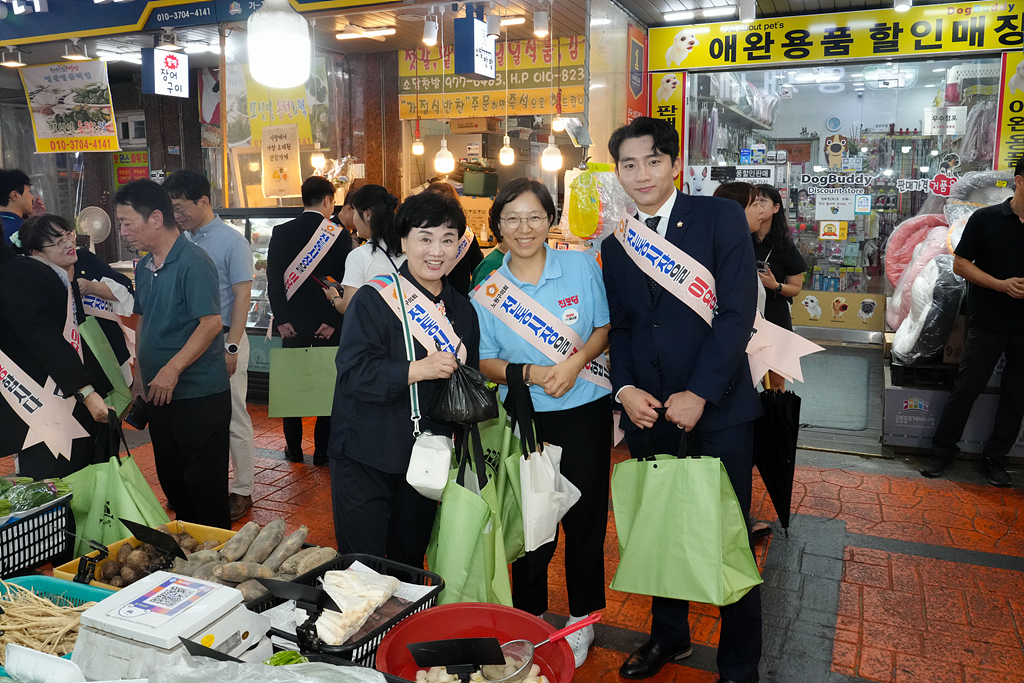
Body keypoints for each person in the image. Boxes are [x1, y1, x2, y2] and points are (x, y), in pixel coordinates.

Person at [601, 118, 762, 683]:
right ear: (617, 172)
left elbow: (738, 313)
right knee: (660, 525)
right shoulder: (616, 244)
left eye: (651, 160)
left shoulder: (719, 218)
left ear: (675, 165)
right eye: (628, 164)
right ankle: (668, 637)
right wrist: (624, 391)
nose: (641, 174)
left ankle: (740, 663)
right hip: (649, 412)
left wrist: (700, 392)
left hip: (716, 410)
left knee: (727, 533)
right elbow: (621, 328)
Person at [473, 178, 611, 668]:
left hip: (586, 412)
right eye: (512, 218)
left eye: (534, 216)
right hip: (526, 420)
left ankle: (582, 622)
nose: (524, 228)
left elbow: (601, 327)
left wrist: (573, 365)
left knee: (585, 522)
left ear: (550, 220)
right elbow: (485, 360)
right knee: (532, 523)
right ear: (497, 229)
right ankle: (528, 618)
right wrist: (529, 374)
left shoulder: (578, 264)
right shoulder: (487, 292)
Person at [328, 190, 480, 566]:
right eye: (425, 238)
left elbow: (466, 381)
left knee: (409, 560)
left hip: (427, 457)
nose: (436, 251)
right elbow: (354, 373)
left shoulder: (463, 310)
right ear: (404, 240)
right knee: (360, 564)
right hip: (366, 452)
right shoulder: (373, 299)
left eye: (448, 240)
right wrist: (419, 369)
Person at [117, 179, 231, 529]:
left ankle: (216, 559)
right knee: (174, 482)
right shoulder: (145, 265)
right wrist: (139, 375)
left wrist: (172, 368)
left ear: (154, 218)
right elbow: (143, 320)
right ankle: (188, 553)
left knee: (205, 486)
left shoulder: (193, 261)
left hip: (198, 394)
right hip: (159, 394)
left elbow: (211, 323)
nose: (123, 232)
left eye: (127, 223)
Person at [922, 155, 1024, 487]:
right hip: (988, 321)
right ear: (1019, 181)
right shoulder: (986, 219)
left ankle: (995, 460)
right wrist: (1000, 284)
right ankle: (942, 453)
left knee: (1016, 397)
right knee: (966, 389)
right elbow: (961, 265)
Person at [165, 170, 256, 520]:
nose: (176, 215)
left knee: (233, 415)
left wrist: (231, 346)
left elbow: (242, 295)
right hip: (191, 341)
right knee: (197, 417)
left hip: (223, 340)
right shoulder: (180, 241)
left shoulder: (232, 242)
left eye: (180, 206)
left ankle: (242, 489)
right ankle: (197, 486)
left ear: (203, 201)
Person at [0, 216, 110, 479]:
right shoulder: (24, 270)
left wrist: (87, 393)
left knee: (58, 500)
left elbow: (43, 337)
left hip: (53, 410)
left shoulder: (15, 275)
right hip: (53, 409)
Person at [267, 176, 350, 466]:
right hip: (327, 327)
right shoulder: (338, 234)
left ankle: (293, 450)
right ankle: (322, 452)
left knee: (292, 388)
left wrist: (281, 320)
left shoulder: (280, 232)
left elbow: (274, 281)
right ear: (328, 200)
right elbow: (344, 283)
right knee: (327, 388)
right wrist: (332, 321)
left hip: (293, 326)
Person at [754, 184, 807, 390]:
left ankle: (774, 422)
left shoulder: (784, 245)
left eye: (763, 200)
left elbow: (795, 288)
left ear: (776, 208)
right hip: (744, 318)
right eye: (754, 201)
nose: (757, 205)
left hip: (776, 318)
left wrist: (775, 286)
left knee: (775, 382)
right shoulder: (740, 239)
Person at [335, 184, 403, 314]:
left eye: (354, 212)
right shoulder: (406, 248)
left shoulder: (359, 256)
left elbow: (348, 305)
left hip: (375, 331)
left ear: (367, 214)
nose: (354, 220)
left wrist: (334, 298)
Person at [425, 181, 483, 296]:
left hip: (427, 299)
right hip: (458, 299)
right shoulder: (466, 235)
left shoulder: (422, 235)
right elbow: (478, 267)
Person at [0, 169, 41, 245]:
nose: (32, 197)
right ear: (15, 195)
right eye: (28, 191)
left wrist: (34, 220)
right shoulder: (25, 231)